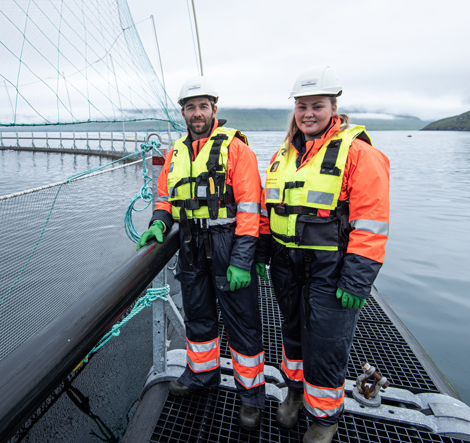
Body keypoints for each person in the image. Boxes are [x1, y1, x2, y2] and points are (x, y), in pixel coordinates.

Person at [256, 66, 390, 443]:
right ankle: (295, 392)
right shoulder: (282, 155)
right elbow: (270, 211)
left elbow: (372, 222)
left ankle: (324, 418)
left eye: (317, 106)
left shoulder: (359, 153)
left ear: (334, 107)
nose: (308, 114)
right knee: (293, 334)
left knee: (327, 343)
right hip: (286, 263)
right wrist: (262, 253)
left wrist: (357, 279)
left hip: (331, 266)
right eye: (302, 106)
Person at [136, 76, 266, 430]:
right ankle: (202, 373)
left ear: (214, 110)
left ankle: (251, 396)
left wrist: (242, 259)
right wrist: (159, 223)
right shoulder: (176, 152)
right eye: (190, 107)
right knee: (198, 316)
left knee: (243, 323)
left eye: (203, 106)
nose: (197, 113)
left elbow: (251, 207)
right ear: (183, 112)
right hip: (191, 244)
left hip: (228, 242)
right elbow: (164, 197)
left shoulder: (236, 148)